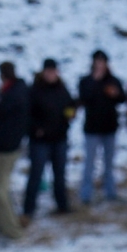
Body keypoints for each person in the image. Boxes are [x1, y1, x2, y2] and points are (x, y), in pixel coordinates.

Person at [0, 62, 28, 238]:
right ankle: (4, 225)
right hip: (5, 145)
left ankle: (12, 229)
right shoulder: (15, 90)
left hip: (4, 147)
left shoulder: (13, 93)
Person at [27, 58, 75, 216]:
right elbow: (27, 115)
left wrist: (71, 114)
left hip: (59, 139)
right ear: (43, 72)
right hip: (40, 141)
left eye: (53, 71)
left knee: (60, 175)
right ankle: (29, 209)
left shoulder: (62, 88)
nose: (51, 74)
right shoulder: (35, 90)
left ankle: (62, 205)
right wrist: (36, 130)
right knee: (36, 175)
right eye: (48, 71)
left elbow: (70, 106)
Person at [78, 51, 125, 204]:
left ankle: (110, 192)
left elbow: (122, 98)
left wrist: (115, 94)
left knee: (109, 163)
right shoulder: (86, 81)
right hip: (92, 129)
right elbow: (83, 99)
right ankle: (86, 194)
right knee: (89, 163)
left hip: (109, 128)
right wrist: (95, 82)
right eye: (97, 62)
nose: (99, 65)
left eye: (102, 62)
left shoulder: (113, 81)